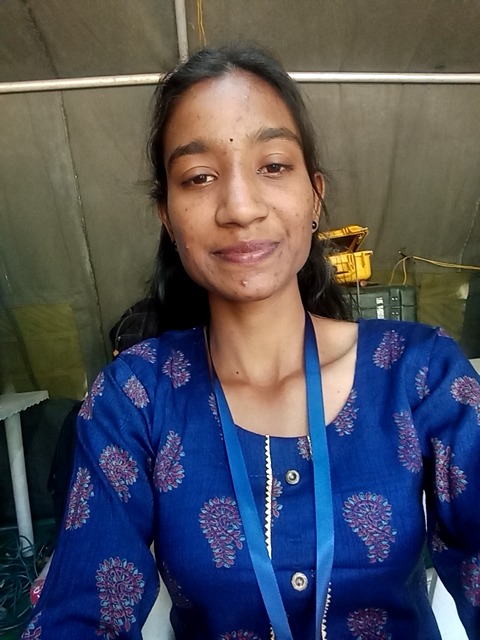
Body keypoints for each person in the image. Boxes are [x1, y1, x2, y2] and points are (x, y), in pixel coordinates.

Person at [21, 45, 480, 640]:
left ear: (314, 196)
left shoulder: (419, 374)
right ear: (167, 216)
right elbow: (82, 612)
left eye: (274, 166)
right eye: (199, 177)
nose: (239, 207)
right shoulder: (134, 398)